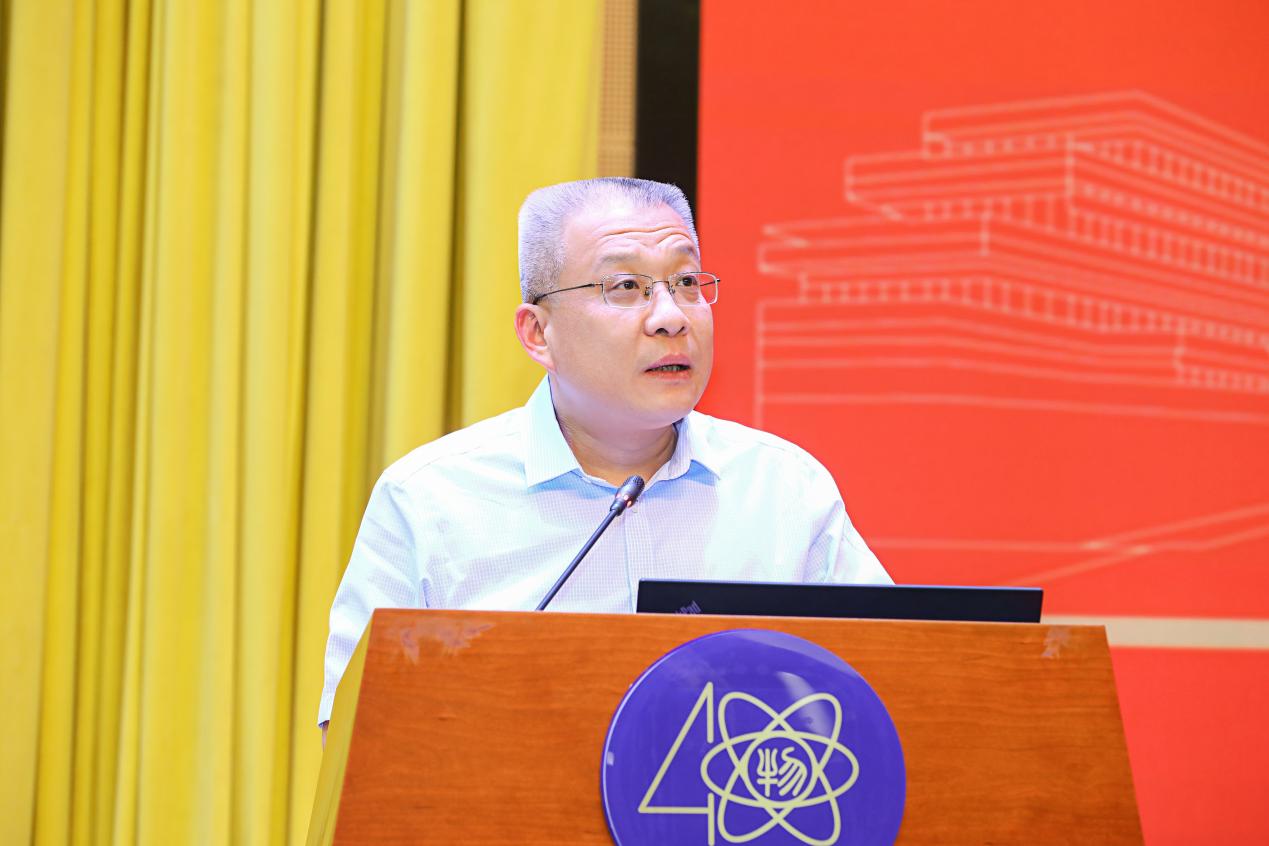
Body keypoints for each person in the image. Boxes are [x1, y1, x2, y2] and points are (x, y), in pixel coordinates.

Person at [319, 177, 891, 732]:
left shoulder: (784, 489)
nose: (671, 316)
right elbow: (359, 739)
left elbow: (892, 687)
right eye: (625, 287)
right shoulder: (429, 501)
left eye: (687, 282)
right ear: (538, 333)